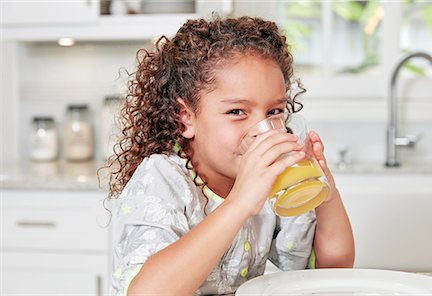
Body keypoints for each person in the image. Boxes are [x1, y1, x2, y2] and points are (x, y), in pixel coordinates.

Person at [106, 15, 354, 296]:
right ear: (185, 118)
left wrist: (327, 194)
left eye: (274, 112)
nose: (262, 132)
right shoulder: (162, 177)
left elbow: (334, 268)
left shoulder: (271, 181)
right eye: (237, 112)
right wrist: (239, 203)